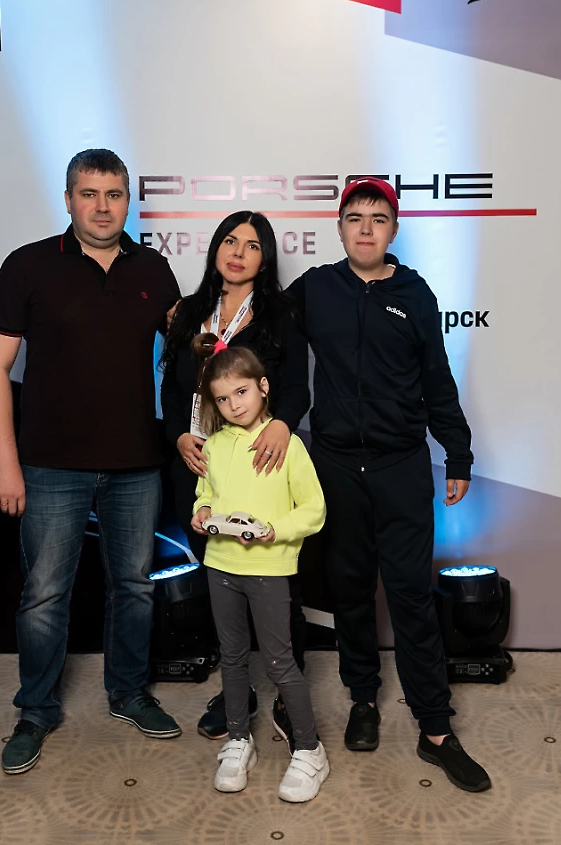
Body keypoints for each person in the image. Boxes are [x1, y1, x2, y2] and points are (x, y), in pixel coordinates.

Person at [0, 149, 182, 775]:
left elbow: (196, 354)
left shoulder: (154, 270)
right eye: (89, 194)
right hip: (48, 466)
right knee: (45, 595)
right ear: (68, 199)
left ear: (128, 201)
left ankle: (128, 693)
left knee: (135, 587)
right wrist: (5, 462)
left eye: (114, 194)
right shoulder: (28, 265)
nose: (102, 207)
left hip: (136, 464)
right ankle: (36, 710)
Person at [287, 177, 491, 793]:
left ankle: (436, 729)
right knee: (350, 591)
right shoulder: (316, 288)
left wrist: (459, 454)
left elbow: (437, 379)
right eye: (355, 218)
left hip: (401, 465)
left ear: (394, 230)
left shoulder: (415, 293)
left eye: (378, 219)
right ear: (340, 228)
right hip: (336, 466)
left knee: (409, 595)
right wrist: (191, 315)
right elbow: (256, 320)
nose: (366, 228)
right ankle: (363, 701)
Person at [161, 211, 310, 745]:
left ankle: (289, 695)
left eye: (251, 245)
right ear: (216, 249)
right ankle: (235, 691)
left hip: (259, 463)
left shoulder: (279, 313)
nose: (238, 252)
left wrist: (284, 426)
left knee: (274, 582)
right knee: (219, 579)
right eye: (230, 240)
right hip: (201, 465)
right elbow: (171, 390)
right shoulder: (188, 313)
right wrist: (179, 436)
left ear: (264, 259)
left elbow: (296, 386)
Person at [190, 343, 329, 802]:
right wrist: (202, 510)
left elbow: (314, 509)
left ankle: (309, 749)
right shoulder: (214, 444)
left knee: (279, 662)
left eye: (242, 392)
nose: (234, 405)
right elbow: (206, 491)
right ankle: (238, 739)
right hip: (219, 565)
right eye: (223, 399)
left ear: (263, 387)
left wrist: (273, 531)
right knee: (232, 658)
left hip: (269, 568)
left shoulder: (288, 444)